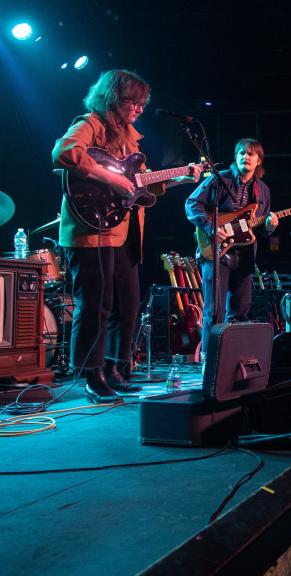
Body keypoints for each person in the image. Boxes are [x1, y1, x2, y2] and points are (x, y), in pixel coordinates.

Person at [53, 69, 200, 401]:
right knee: (96, 304)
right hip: (92, 230)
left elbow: (141, 184)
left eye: (142, 104)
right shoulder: (90, 123)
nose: (138, 109)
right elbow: (63, 152)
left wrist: (181, 177)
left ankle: (116, 367)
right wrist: (111, 178)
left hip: (126, 230)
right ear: (112, 98)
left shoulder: (132, 137)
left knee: (129, 304)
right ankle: (91, 374)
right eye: (132, 102)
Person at [186, 138, 278, 357]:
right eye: (241, 153)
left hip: (244, 256)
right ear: (236, 158)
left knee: (240, 310)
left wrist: (270, 226)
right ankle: (209, 360)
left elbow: (260, 229)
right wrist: (209, 227)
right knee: (213, 312)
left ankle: (230, 359)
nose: (245, 157)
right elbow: (192, 203)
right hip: (216, 252)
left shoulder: (262, 190)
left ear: (258, 161)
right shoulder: (220, 180)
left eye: (251, 154)